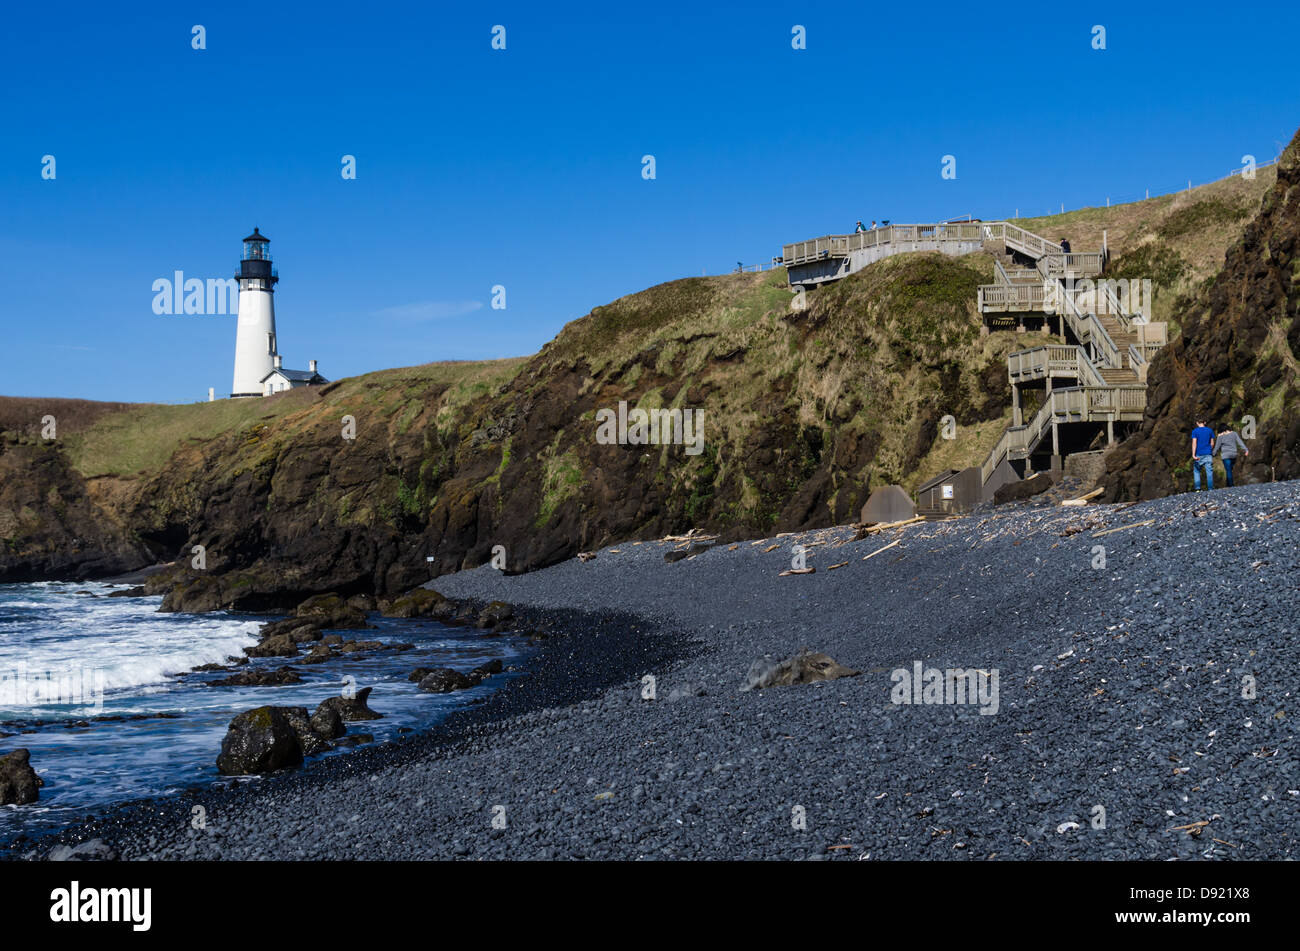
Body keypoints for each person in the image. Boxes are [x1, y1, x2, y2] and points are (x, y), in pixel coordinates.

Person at [1190, 417, 1215, 490]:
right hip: (1208, 453)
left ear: (1197, 423)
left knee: (1197, 471)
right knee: (1209, 472)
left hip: (1199, 454)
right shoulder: (1210, 430)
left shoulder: (1195, 431)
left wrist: (1193, 455)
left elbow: (1194, 443)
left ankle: (1198, 488)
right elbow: (1212, 443)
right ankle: (1210, 488)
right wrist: (1210, 449)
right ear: (1205, 422)